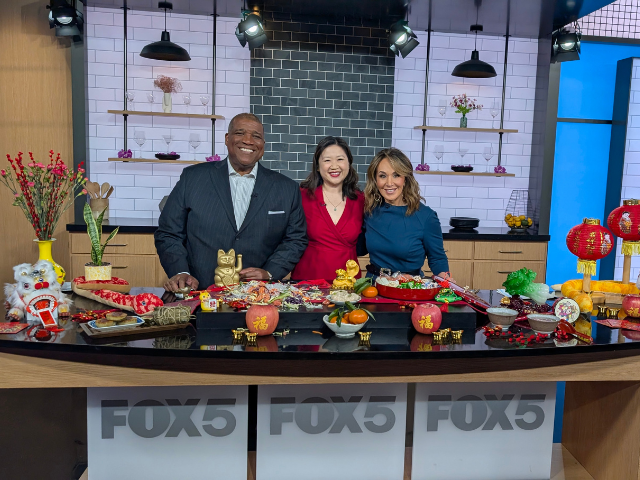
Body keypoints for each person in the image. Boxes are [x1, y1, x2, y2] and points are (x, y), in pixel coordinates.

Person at [155, 113, 308, 292]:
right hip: (198, 293)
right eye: (240, 133)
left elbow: (295, 239)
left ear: (263, 146)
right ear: (227, 139)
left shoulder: (287, 188)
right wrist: (180, 271)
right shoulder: (193, 178)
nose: (248, 140)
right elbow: (168, 233)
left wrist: (270, 272)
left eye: (256, 136)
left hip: (258, 296)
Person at [362, 147, 451, 280]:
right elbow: (357, 248)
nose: (389, 183)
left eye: (396, 175)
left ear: (406, 178)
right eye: (382, 176)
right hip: (373, 287)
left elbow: (437, 258)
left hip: (408, 288)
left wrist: (446, 280)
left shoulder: (426, 217)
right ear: (375, 180)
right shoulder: (370, 211)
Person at [291, 136, 364, 283]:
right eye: (327, 160)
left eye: (340, 159)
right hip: (307, 285)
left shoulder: (361, 200)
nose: (334, 166)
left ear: (349, 163)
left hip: (348, 286)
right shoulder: (301, 196)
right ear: (317, 166)